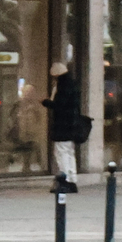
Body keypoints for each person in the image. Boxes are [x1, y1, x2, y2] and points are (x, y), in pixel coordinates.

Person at [41, 61, 87, 189]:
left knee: (61, 152)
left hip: (62, 125)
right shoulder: (73, 84)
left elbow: (59, 106)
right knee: (69, 152)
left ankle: (64, 179)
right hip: (72, 124)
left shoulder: (62, 87)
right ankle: (72, 179)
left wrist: (46, 102)